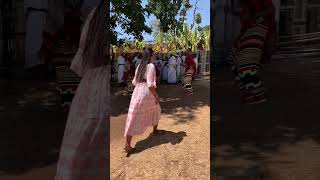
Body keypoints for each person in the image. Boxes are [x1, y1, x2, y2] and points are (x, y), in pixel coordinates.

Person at [55, 1, 110, 179]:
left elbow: (82, 63)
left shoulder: (96, 14)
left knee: (82, 153)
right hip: (101, 89)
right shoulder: (97, 14)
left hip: (92, 89)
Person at [228, 0, 275, 104]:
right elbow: (238, 12)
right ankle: (249, 91)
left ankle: (258, 94)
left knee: (246, 63)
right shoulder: (241, 4)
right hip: (246, 30)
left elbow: (271, 9)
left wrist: (255, 15)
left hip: (258, 27)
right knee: (233, 59)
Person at [124, 48, 162, 155]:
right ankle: (154, 130)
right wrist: (156, 95)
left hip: (137, 92)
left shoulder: (139, 66)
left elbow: (135, 82)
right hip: (146, 92)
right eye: (154, 54)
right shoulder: (151, 66)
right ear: (150, 55)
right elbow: (150, 85)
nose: (155, 56)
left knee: (133, 116)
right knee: (156, 108)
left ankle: (127, 143)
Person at [24, 0, 48, 69]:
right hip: (33, 15)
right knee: (32, 41)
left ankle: (41, 62)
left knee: (42, 40)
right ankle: (32, 63)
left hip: (43, 15)